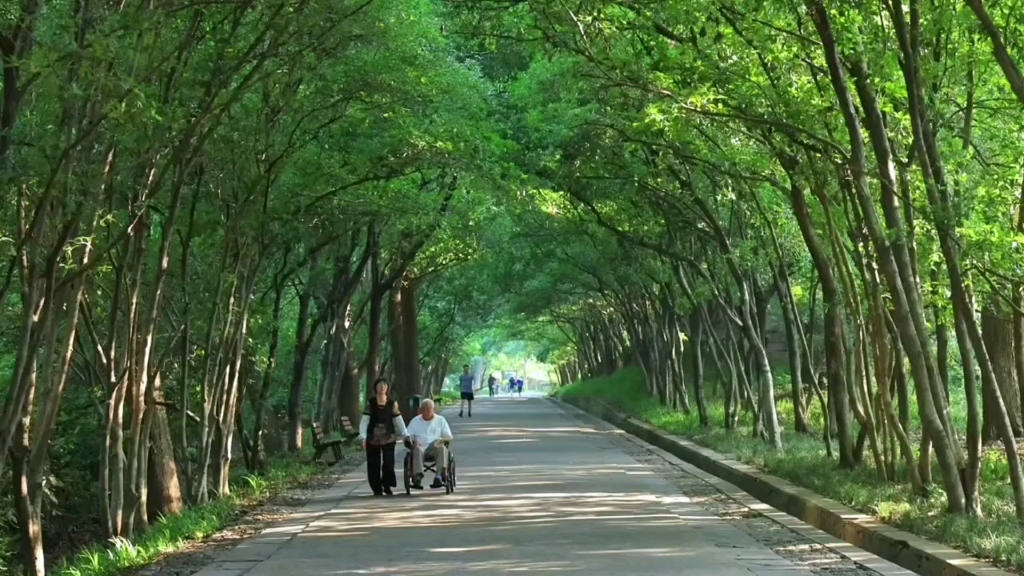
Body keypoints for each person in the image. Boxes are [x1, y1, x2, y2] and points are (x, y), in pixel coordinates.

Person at [358, 378, 407, 496]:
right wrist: (363, 436)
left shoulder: (392, 403)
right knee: (373, 463)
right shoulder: (371, 403)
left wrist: (405, 433)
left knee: (389, 462)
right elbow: (365, 421)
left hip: (388, 436)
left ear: (387, 388)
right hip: (372, 437)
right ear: (375, 387)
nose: (382, 387)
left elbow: (398, 419)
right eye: (380, 384)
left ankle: (387, 485)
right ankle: (376, 488)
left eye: (385, 385)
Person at [406, 398, 453, 489]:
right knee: (417, 449)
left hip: (434, 447)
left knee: (442, 448)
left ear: (433, 410)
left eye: (429, 409)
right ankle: (417, 478)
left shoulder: (440, 420)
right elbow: (408, 435)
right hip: (420, 447)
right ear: (420, 410)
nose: (426, 411)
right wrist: (413, 441)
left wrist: (440, 440)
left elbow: (449, 437)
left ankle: (439, 476)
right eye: (424, 409)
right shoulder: (415, 421)